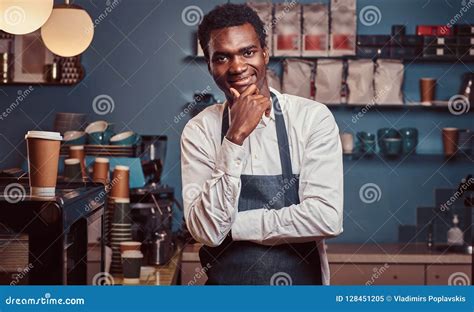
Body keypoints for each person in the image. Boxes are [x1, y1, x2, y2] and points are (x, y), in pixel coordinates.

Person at [181, 3, 343, 285]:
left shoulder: (311, 119)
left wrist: (235, 226)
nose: (238, 67)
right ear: (209, 65)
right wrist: (234, 138)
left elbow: (326, 217)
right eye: (222, 57)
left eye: (248, 52)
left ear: (265, 53)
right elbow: (206, 231)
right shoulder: (199, 131)